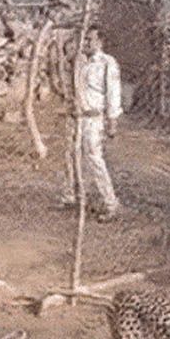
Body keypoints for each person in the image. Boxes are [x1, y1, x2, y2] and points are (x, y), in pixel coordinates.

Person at [63, 28, 123, 221]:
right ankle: (75, 197)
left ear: (100, 42)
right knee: (72, 156)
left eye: (90, 40)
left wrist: (112, 121)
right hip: (76, 117)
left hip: (94, 119)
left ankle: (110, 203)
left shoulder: (107, 63)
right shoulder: (80, 62)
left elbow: (113, 93)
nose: (86, 43)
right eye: (84, 39)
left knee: (94, 159)